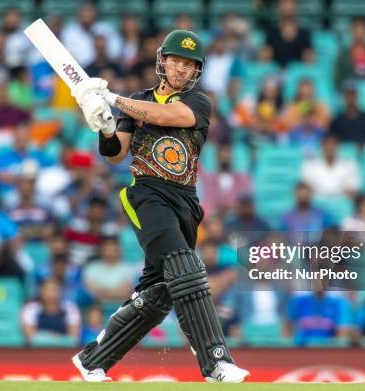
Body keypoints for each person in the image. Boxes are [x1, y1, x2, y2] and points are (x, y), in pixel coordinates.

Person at [68, 30, 249, 382]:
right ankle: (216, 361)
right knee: (185, 265)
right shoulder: (137, 100)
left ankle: (93, 359)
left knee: (160, 292)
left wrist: (112, 99)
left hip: (186, 202)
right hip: (147, 195)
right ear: (162, 61)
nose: (181, 69)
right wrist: (103, 126)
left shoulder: (199, 102)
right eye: (176, 61)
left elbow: (166, 117)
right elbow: (115, 153)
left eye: (189, 64)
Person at [328, 82, 365, 146]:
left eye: (353, 95)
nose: (351, 98)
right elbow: (332, 143)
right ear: (343, 97)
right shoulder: (337, 121)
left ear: (357, 96)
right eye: (348, 95)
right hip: (345, 154)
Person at [335, 17, 365, 89]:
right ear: (351, 32)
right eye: (356, 31)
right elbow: (337, 83)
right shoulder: (342, 57)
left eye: (362, 31)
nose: (359, 35)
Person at [264, 0, 313, 68]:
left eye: (291, 3)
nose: (287, 7)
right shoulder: (272, 33)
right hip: (276, 74)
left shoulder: (304, 34)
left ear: (296, 8)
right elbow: (264, 59)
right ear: (279, 7)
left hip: (298, 75)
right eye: (284, 3)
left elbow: (310, 61)